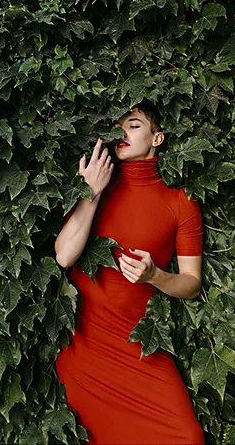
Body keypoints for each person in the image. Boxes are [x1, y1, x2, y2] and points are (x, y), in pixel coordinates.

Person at [54, 104, 204, 445]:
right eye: (118, 125)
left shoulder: (181, 203)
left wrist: (155, 276)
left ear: (157, 138)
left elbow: (192, 284)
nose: (122, 132)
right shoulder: (99, 186)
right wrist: (91, 192)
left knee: (188, 437)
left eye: (133, 125)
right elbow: (63, 256)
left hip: (139, 346)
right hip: (86, 345)